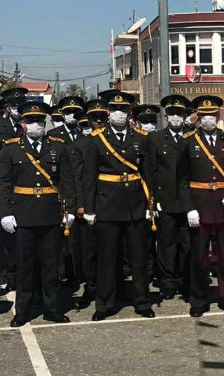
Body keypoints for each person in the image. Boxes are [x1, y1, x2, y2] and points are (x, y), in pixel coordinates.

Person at [0, 101, 75, 326]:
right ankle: (22, 311)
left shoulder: (57, 146)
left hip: (50, 214)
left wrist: (68, 209)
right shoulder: (11, 148)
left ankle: (53, 309)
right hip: (23, 215)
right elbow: (3, 184)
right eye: (30, 120)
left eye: (39, 120)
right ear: (22, 124)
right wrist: (5, 213)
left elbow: (67, 181)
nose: (36, 125)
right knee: (24, 266)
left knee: (52, 265)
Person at [82, 91, 156, 321]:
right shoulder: (96, 139)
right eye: (114, 109)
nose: (118, 114)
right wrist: (90, 208)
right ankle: (104, 304)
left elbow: (149, 173)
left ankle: (142, 301)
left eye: (123, 110)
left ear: (129, 113)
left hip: (135, 204)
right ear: (107, 112)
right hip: (107, 205)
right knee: (107, 258)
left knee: (138, 257)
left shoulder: (141, 137)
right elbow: (89, 176)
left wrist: (150, 204)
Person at [179, 95, 224, 316]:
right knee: (199, 257)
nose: (209, 119)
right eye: (204, 115)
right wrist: (189, 207)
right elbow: (181, 179)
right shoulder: (188, 141)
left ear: (218, 116)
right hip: (199, 207)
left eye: (212, 115)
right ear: (198, 117)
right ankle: (198, 300)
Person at [146, 95, 192, 300]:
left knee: (187, 244)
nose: (175, 117)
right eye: (172, 113)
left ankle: (185, 280)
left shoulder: (193, 137)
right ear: (166, 116)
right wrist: (152, 200)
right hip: (165, 200)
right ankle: (167, 282)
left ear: (185, 116)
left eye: (179, 113)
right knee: (166, 244)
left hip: (189, 202)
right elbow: (150, 172)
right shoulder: (155, 139)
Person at [0, 87, 28, 289]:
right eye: (15, 105)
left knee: (21, 231)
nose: (18, 109)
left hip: (23, 186)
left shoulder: (30, 125)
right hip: (2, 186)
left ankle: (20, 272)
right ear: (8, 107)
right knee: (1, 232)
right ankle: (2, 271)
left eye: (21, 105)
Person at [70, 99, 106, 310]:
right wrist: (81, 205)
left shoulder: (114, 139)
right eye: (94, 118)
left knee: (111, 249)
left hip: (111, 202)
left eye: (102, 117)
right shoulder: (82, 144)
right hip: (90, 204)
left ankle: (111, 286)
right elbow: (78, 177)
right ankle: (91, 286)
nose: (98, 121)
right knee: (89, 250)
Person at [47, 96, 85, 286]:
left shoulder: (84, 135)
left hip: (81, 190)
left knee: (79, 238)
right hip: (61, 192)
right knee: (60, 239)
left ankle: (78, 274)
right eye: (68, 112)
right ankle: (62, 273)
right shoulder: (53, 136)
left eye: (75, 113)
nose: (72, 116)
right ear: (62, 115)